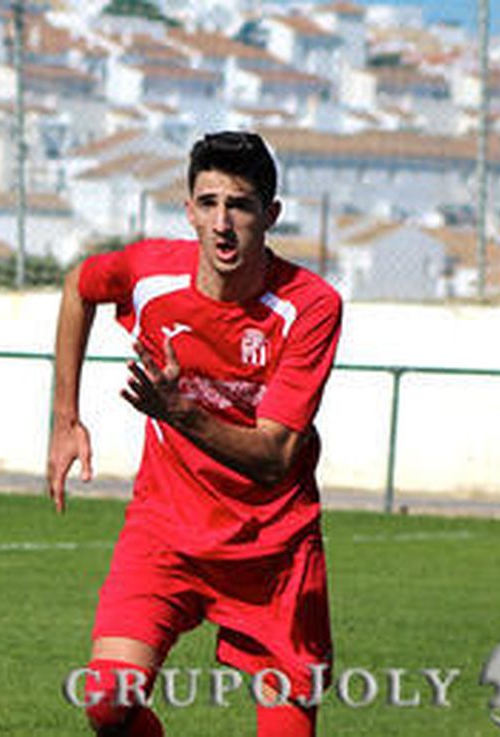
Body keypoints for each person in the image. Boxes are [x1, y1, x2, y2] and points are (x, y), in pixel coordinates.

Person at [47, 131, 342, 737]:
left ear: (271, 215)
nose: (222, 223)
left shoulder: (310, 306)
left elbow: (274, 456)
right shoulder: (151, 274)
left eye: (240, 205)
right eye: (207, 203)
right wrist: (64, 419)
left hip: (274, 551)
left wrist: (178, 411)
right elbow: (80, 285)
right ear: (188, 210)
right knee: (108, 700)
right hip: (167, 534)